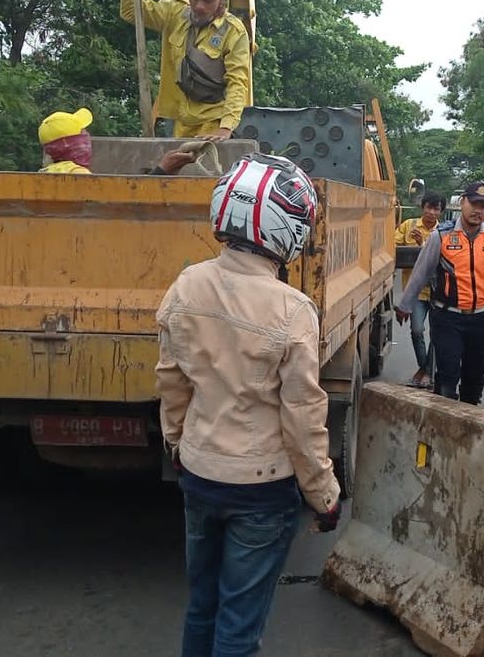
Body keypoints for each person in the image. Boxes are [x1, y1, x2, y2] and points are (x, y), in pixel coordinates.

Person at [156, 152, 341, 657]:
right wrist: (323, 494)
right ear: (288, 230)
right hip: (261, 489)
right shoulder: (292, 309)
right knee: (239, 625)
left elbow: (172, 382)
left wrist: (177, 443)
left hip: (199, 471)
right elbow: (303, 417)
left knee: (202, 607)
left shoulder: (186, 283)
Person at [396, 182, 484, 405]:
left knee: (474, 379)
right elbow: (421, 272)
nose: (478, 210)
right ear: (463, 202)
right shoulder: (441, 236)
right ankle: (444, 426)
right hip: (446, 317)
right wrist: (405, 305)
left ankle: (469, 424)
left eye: (483, 206)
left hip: (480, 318)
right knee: (447, 377)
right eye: (474, 203)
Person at [121, 0, 251, 141]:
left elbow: (237, 82)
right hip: (180, 123)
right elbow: (131, 12)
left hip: (213, 123)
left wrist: (225, 128)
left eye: (208, 0)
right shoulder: (174, 13)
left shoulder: (233, 31)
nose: (199, 6)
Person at [37, 107, 198, 176]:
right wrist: (162, 170)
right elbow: (118, 206)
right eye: (82, 133)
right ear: (71, 145)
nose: (87, 136)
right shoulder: (77, 175)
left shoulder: (44, 173)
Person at [393, 191, 446, 388]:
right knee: (416, 331)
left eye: (436, 208)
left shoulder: (444, 232)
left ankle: (427, 372)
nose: (431, 212)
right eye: (428, 207)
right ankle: (424, 368)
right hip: (415, 293)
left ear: (441, 212)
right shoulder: (408, 226)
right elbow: (393, 248)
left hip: (438, 293)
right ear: (422, 207)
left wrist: (421, 245)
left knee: (437, 334)